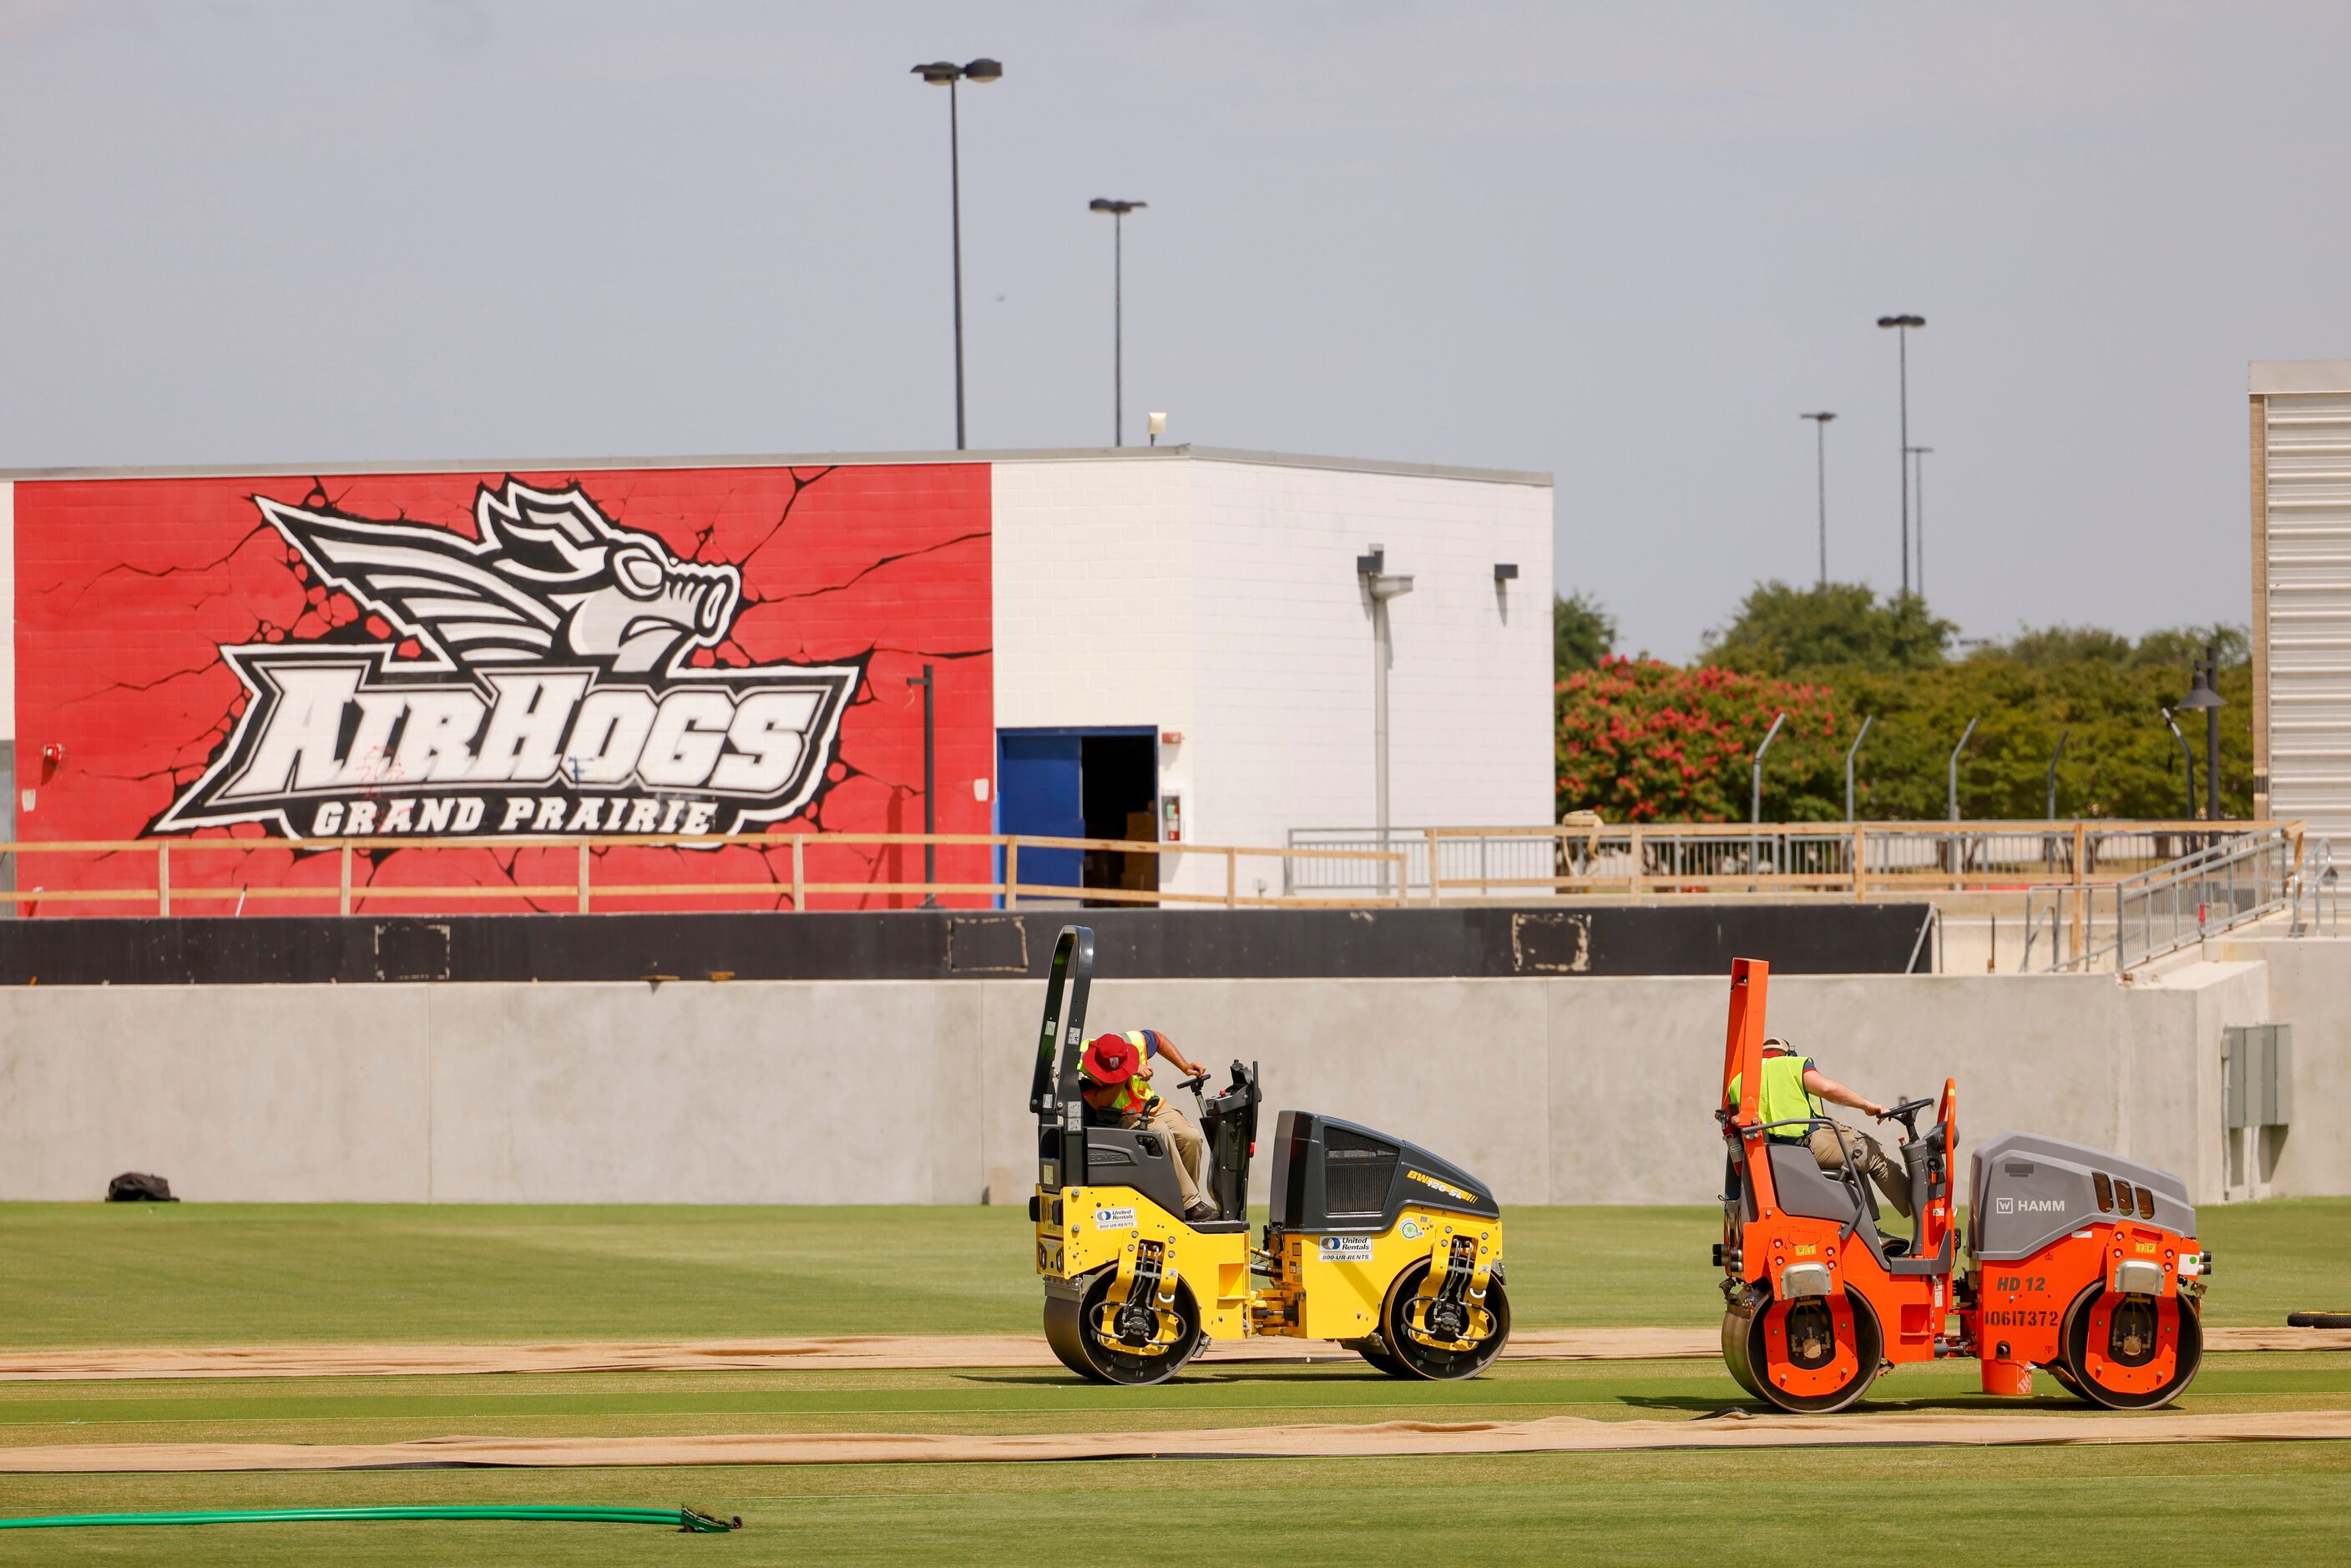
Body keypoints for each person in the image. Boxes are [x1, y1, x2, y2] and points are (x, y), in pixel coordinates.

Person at [1728, 1037, 1911, 1220]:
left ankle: (1870, 1231)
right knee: (1872, 1151)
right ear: (1787, 1054)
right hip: (1803, 1145)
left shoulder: (1738, 1082)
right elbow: (1827, 1088)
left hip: (1772, 1153)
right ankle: (1919, 1212)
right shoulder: (1793, 1065)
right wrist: (1867, 1105)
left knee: (1854, 1160)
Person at [1080, 1029, 1217, 1222]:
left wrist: (1185, 1066)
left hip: (1150, 1104)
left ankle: (1185, 1206)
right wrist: (1127, 1071)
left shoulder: (1135, 1041)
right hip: (1116, 1116)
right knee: (1159, 1132)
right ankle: (1191, 1203)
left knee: (1191, 1137)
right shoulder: (1085, 1065)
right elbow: (1098, 1103)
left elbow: (1159, 1038)